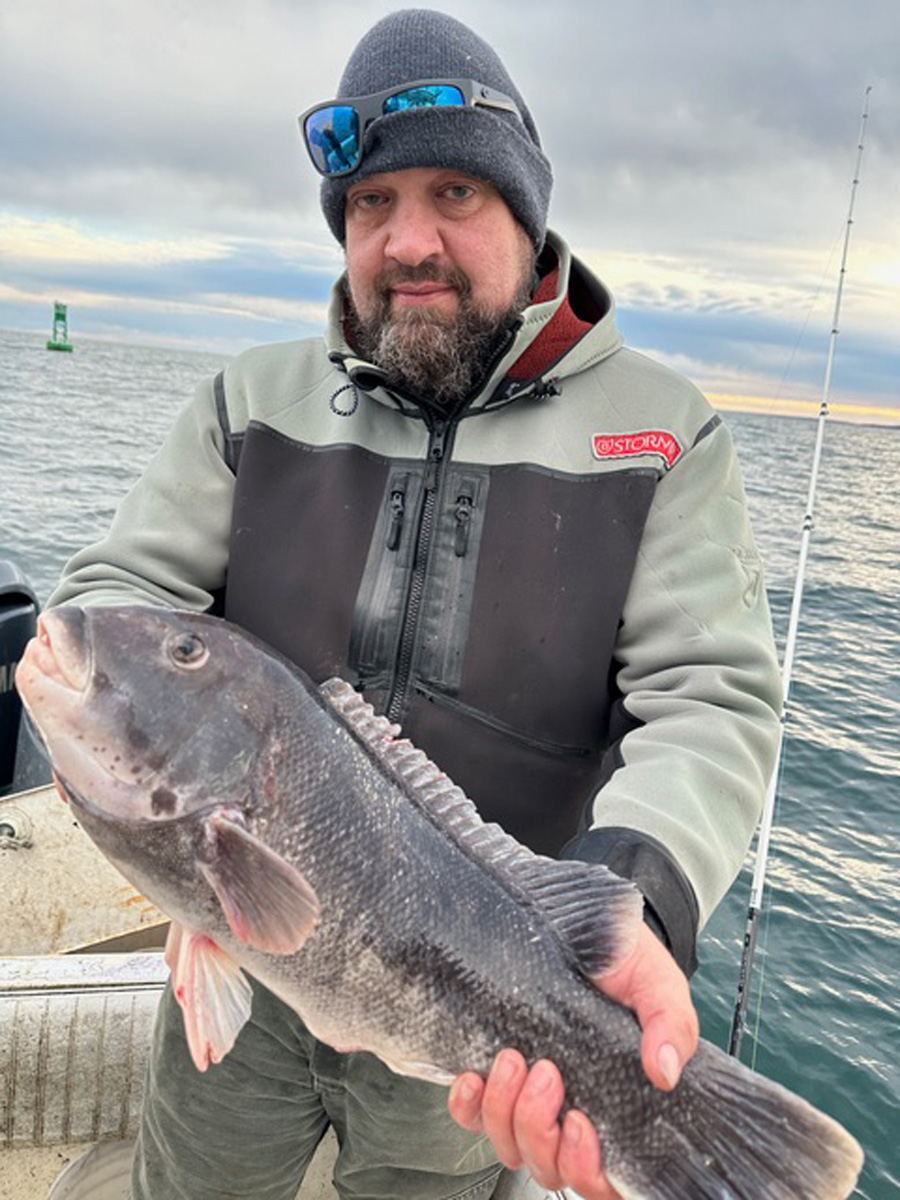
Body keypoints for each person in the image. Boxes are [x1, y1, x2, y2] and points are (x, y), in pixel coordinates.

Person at [48, 10, 781, 1199]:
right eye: (371, 206)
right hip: (243, 928)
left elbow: (711, 699)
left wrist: (629, 899)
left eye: (455, 194)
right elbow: (115, 598)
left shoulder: (664, 434)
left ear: (526, 214)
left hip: (480, 980)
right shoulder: (252, 401)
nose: (409, 241)